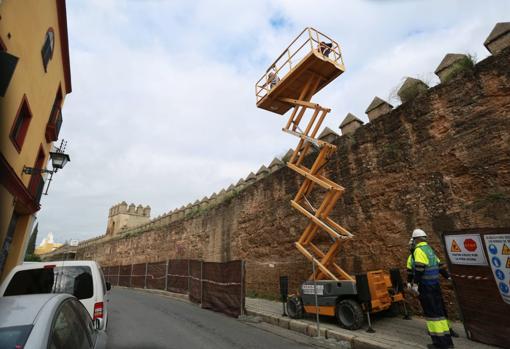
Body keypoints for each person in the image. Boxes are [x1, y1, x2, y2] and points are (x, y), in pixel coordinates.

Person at [408, 228, 455, 349]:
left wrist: (415, 284)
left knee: (432, 315)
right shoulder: (429, 250)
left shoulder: (418, 251)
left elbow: (419, 269)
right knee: (440, 312)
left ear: (416, 240)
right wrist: (447, 277)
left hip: (426, 287)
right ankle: (448, 342)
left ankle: (439, 344)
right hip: (435, 285)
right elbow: (439, 266)